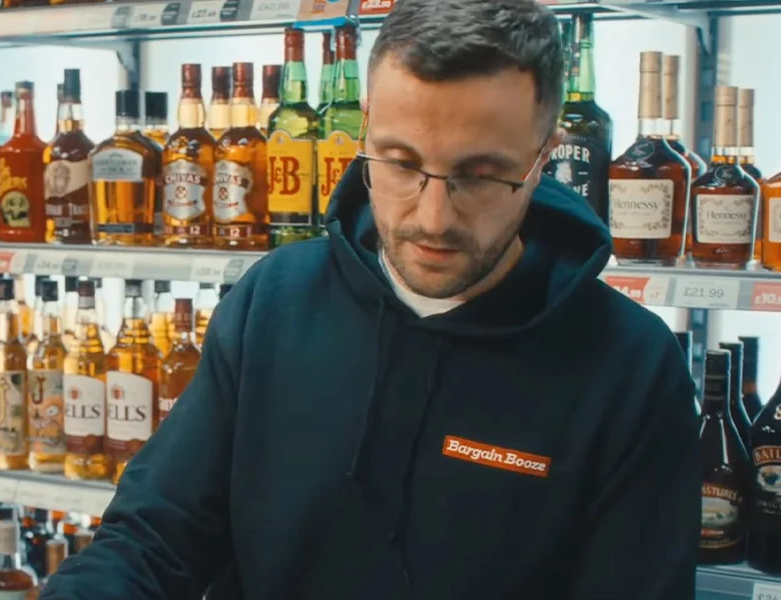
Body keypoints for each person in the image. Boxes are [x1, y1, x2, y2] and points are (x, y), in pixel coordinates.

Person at [40, 0, 700, 596]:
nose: (434, 217)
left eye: (480, 175)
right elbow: (154, 538)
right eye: (401, 163)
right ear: (361, 141)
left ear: (543, 156)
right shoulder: (274, 302)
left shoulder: (631, 368)